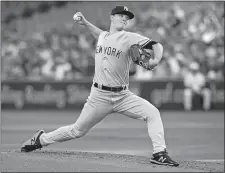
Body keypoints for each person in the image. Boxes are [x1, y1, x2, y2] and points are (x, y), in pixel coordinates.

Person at [21, 6, 179, 167]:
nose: (125, 18)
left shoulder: (129, 37)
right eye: (121, 15)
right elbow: (100, 34)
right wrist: (85, 23)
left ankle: (159, 153)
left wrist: (155, 61)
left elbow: (157, 45)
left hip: (123, 96)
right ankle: (41, 139)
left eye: (127, 17)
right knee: (77, 131)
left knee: (153, 113)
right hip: (99, 96)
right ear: (112, 17)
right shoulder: (104, 36)